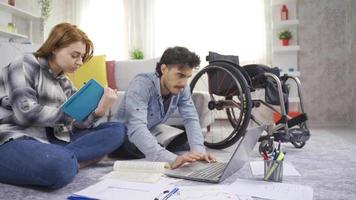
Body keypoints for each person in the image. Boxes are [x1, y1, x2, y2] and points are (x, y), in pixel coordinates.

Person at [0, 23, 125, 189]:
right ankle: (73, 160)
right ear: (55, 47)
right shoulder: (25, 63)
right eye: (75, 55)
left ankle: (67, 158)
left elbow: (78, 124)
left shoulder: (65, 82)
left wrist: (99, 110)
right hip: (15, 138)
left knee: (117, 130)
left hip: (54, 140)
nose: (80, 62)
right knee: (59, 166)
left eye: (82, 57)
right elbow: (26, 113)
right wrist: (70, 115)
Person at [110, 46, 215, 169]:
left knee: (186, 132)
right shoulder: (141, 84)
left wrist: (199, 152)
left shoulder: (182, 88)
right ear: (164, 69)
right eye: (180, 75)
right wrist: (172, 159)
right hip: (127, 136)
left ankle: (159, 145)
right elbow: (136, 128)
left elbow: (191, 118)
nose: (184, 83)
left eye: (187, 77)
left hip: (152, 130)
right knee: (133, 143)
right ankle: (159, 149)